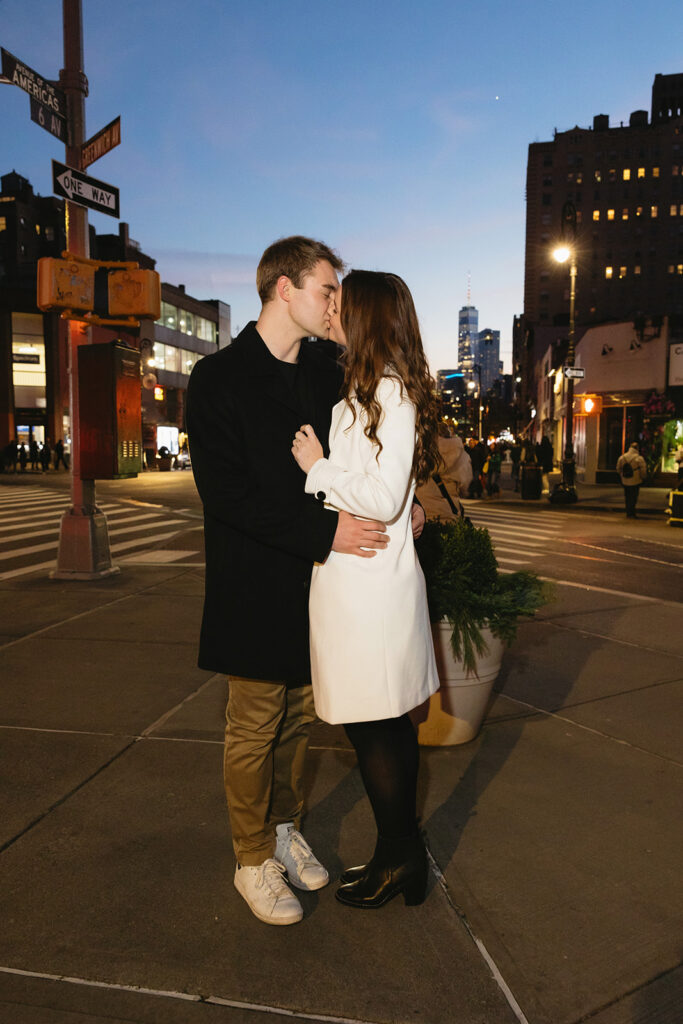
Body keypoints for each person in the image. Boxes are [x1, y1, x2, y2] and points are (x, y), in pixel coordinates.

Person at [186, 236, 402, 927]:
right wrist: (324, 532)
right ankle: (251, 859)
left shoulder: (328, 367)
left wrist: (406, 496)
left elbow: (373, 441)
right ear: (284, 289)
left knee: (301, 721)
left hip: (322, 585)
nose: (336, 303)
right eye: (326, 290)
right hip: (255, 581)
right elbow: (226, 497)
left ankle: (282, 827)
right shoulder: (218, 377)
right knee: (253, 725)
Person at [291, 270, 440, 910]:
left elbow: (380, 496)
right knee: (377, 729)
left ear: (368, 316)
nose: (332, 309)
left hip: (371, 593)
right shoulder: (364, 389)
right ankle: (398, 855)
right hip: (357, 587)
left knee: (377, 729)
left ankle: (400, 857)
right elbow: (391, 491)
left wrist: (316, 467)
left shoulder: (389, 393)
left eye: (341, 302)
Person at [433, 422, 472, 516]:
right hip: (450, 501)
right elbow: (466, 481)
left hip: (424, 503)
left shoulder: (425, 449)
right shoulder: (460, 452)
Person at [616, 441, 647, 518]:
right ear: (637, 448)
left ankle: (628, 512)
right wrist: (643, 477)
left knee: (627, 496)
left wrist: (622, 475)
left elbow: (618, 469)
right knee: (634, 496)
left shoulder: (622, 457)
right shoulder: (639, 458)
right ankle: (632, 512)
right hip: (635, 480)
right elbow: (643, 470)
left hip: (625, 480)